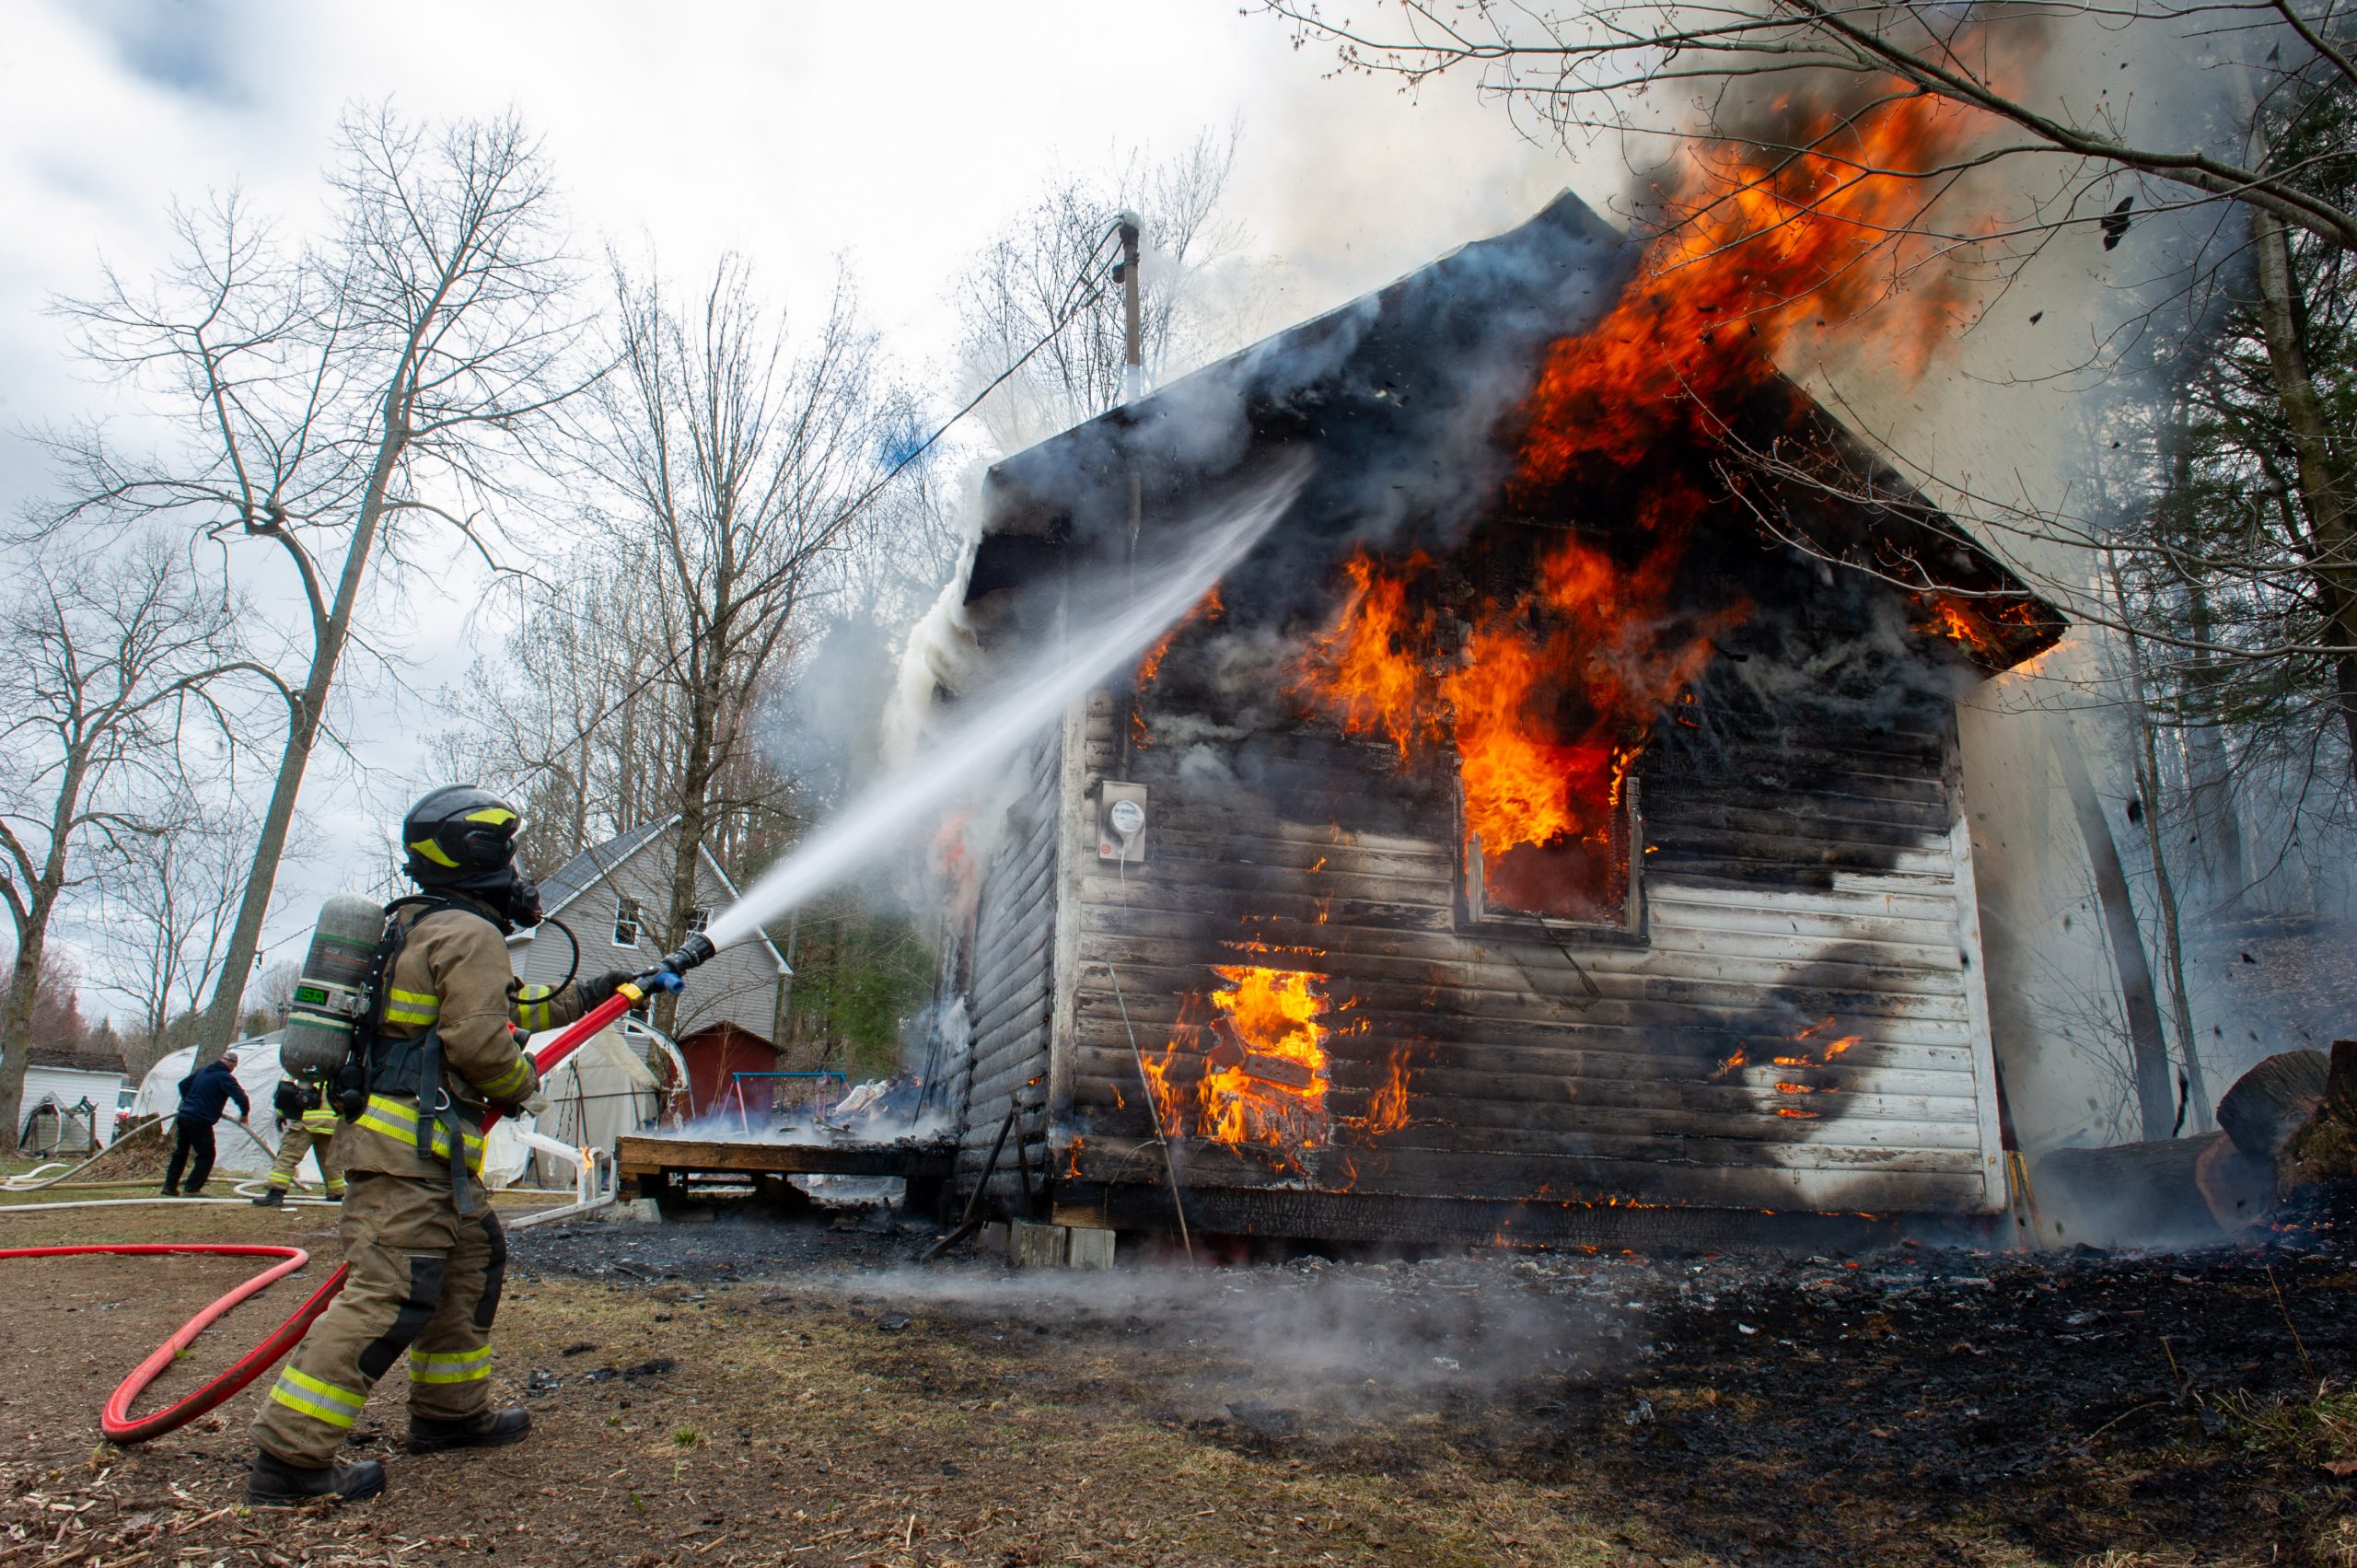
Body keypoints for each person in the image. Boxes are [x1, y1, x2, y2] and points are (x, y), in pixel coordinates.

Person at [247, 785, 659, 1507]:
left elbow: (506, 1006)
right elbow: (479, 1041)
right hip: (411, 1155)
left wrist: (598, 990)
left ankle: (450, 1412)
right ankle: (291, 1455)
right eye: (509, 852)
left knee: (471, 1259)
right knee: (392, 1291)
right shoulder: (470, 935)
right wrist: (522, 1077)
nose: (519, 870)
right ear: (481, 855)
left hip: (424, 1155)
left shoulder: (421, 924)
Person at [163, 1050, 250, 1197]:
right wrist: (244, 1113)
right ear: (232, 1064)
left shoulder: (203, 1071)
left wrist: (190, 1101)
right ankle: (192, 1189)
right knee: (207, 1154)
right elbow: (241, 1098)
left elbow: (183, 1084)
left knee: (181, 1152)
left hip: (184, 1115)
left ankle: (169, 1186)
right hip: (200, 1119)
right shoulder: (224, 1077)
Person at [253, 1070, 343, 1206]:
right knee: (329, 1161)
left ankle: (276, 1193)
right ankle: (335, 1194)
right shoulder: (333, 1075)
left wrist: (280, 1115)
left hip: (305, 1123)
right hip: (330, 1124)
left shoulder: (301, 1072)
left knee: (288, 1157)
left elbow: (286, 1094)